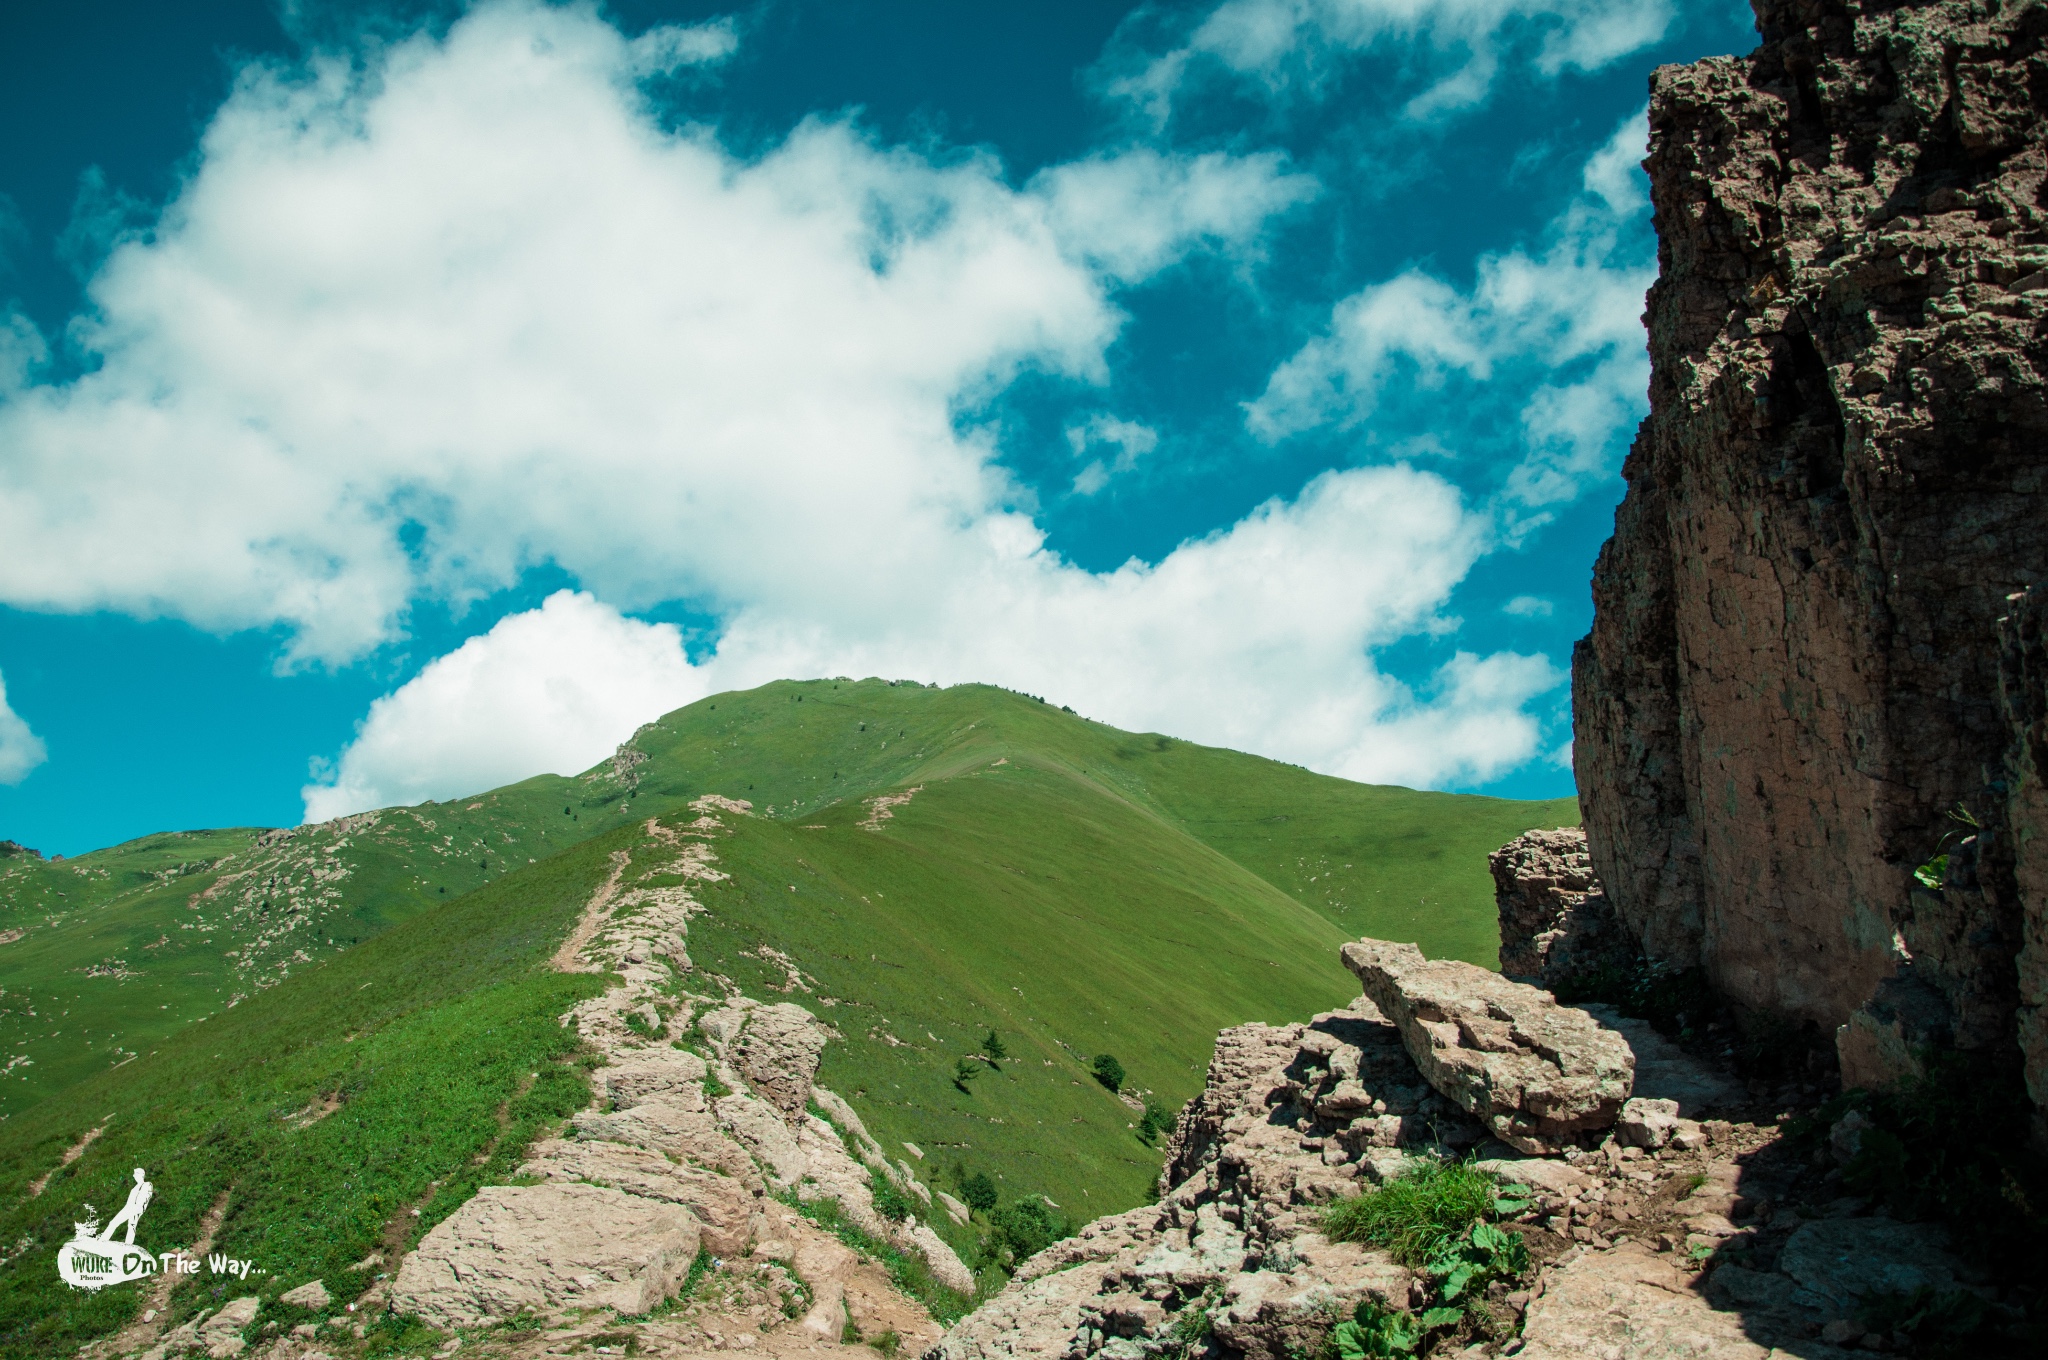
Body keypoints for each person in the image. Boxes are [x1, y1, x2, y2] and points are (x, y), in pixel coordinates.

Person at [101, 1167, 153, 1245]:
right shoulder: (134, 1188)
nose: (133, 1176)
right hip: (128, 1207)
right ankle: (103, 1240)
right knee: (113, 1222)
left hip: (136, 1208)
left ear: (141, 1175)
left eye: (135, 1174)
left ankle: (128, 1244)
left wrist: (138, 1208)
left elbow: (145, 1197)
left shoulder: (147, 1184)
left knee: (131, 1225)